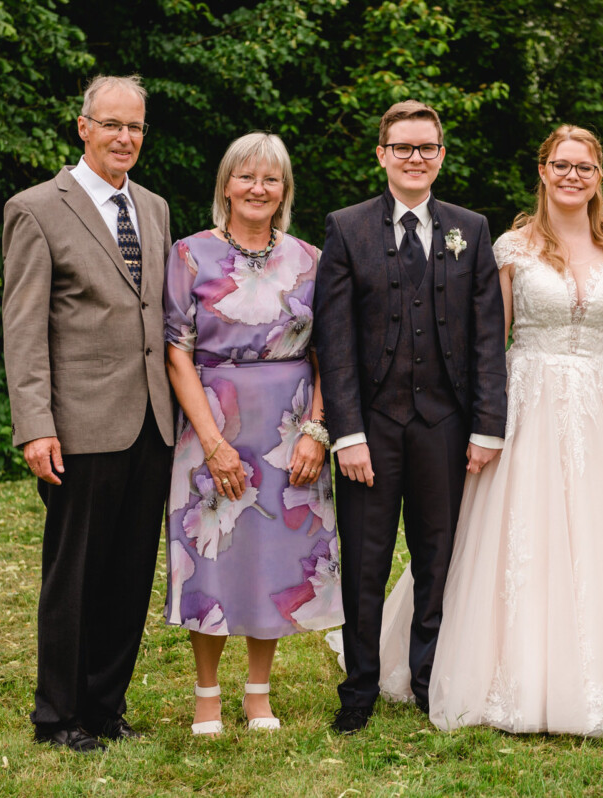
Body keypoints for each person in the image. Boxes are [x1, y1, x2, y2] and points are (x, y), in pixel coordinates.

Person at [422, 125, 603, 735]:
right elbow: (490, 342)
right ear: (543, 171)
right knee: (525, 534)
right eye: (561, 165)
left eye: (584, 167)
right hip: (529, 396)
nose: (572, 176)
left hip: (602, 400)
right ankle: (517, 670)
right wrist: (487, 420)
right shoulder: (510, 247)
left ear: (599, 176)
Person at [313, 101, 508, 734]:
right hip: (371, 427)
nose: (415, 158)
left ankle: (429, 679)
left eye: (426, 148)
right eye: (403, 148)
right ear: (382, 155)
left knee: (438, 557)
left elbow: (487, 338)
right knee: (366, 562)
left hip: (446, 427)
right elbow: (334, 343)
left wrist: (485, 427)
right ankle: (360, 688)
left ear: (442, 156)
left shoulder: (470, 229)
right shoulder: (346, 229)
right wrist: (346, 435)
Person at [2, 74, 174, 752]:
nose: (125, 138)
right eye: (112, 125)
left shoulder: (154, 209)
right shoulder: (39, 208)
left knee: (131, 573)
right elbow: (23, 329)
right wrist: (35, 424)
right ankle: (59, 714)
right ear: (84, 127)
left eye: (135, 127)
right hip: (78, 425)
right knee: (74, 575)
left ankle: (106, 706)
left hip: (151, 423)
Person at [163, 132, 342, 736]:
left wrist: (316, 430)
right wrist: (212, 442)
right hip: (213, 420)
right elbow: (176, 352)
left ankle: (259, 693)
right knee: (209, 557)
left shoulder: (310, 259)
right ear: (226, 185)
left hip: (290, 427)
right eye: (246, 177)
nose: (258, 188)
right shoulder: (190, 254)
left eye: (270, 179)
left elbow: (329, 353)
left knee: (277, 555)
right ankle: (207, 696)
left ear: (284, 190)